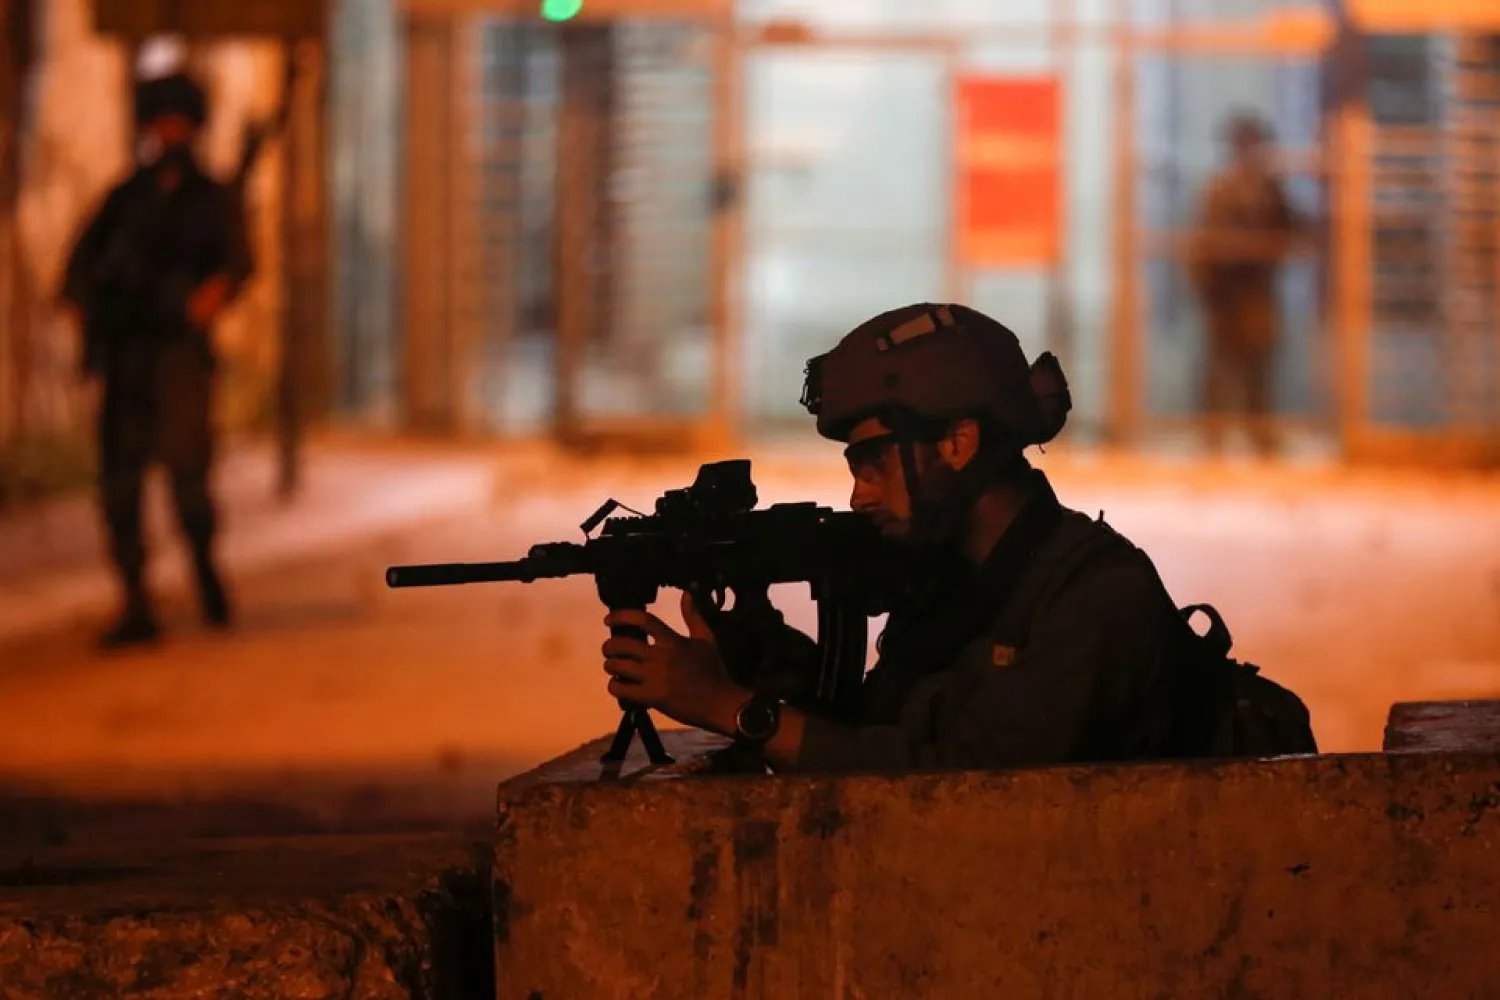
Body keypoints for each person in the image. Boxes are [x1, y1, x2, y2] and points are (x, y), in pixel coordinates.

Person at [599, 303, 1224, 774]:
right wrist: (760, 659)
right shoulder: (954, 579)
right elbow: (880, 729)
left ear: (959, 443)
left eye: (876, 463)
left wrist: (730, 708)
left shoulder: (1093, 596)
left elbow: (961, 786)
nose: (858, 495)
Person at [59, 71, 252, 649]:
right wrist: (93, 326)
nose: (167, 131)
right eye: (159, 119)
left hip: (178, 358)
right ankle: (136, 601)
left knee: (188, 479)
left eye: (177, 119)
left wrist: (205, 300)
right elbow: (79, 273)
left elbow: (235, 265)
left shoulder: (209, 198)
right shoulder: (126, 199)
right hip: (128, 355)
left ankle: (205, 574)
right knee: (119, 486)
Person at [1186, 111, 1305, 457]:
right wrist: (1206, 282)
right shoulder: (1220, 188)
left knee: (1258, 364)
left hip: (1256, 291)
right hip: (1225, 292)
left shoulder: (1270, 190)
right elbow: (1205, 240)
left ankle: (1259, 433)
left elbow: (1291, 228)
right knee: (1221, 363)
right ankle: (1214, 433)